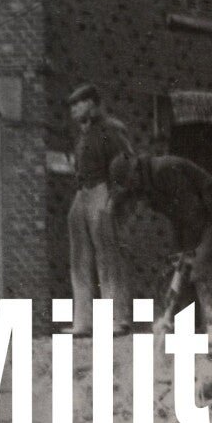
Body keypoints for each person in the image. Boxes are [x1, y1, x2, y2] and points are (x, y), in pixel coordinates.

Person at [107, 152, 212, 344]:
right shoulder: (147, 186)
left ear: (134, 170)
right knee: (182, 270)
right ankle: (184, 327)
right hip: (197, 217)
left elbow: (192, 210)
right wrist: (180, 250)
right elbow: (175, 217)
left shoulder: (164, 171)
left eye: (129, 182)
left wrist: (191, 249)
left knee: (201, 265)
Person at [66, 84, 134, 335]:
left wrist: (115, 197)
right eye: (72, 106)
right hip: (82, 193)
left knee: (109, 258)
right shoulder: (82, 134)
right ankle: (84, 321)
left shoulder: (111, 129)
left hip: (102, 191)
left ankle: (118, 319)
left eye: (79, 103)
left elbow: (126, 163)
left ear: (93, 104)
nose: (74, 109)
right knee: (79, 259)